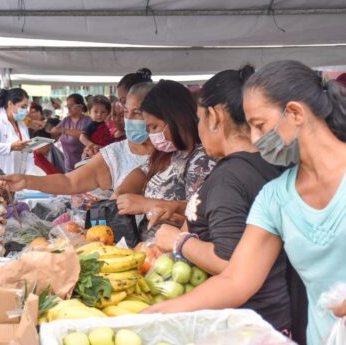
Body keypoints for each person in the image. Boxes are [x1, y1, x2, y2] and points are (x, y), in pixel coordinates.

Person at [142, 60, 346, 345]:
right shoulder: (276, 196)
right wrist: (153, 315)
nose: (254, 139)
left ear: (296, 113)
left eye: (260, 126)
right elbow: (236, 279)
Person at [151, 66, 292, 332]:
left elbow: (231, 264)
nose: (199, 129)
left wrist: (178, 241)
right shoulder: (271, 165)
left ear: (214, 116)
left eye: (199, 119)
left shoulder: (231, 178)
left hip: (246, 324)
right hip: (277, 317)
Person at [0, 82, 155, 194]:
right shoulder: (115, 154)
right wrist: (27, 181)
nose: (129, 119)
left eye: (137, 113)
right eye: (126, 112)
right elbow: (70, 182)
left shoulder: (174, 155)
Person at [114, 80, 216, 240]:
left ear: (175, 119)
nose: (152, 135)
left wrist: (146, 204)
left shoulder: (201, 160)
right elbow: (141, 172)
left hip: (175, 251)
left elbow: (199, 217)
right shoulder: (169, 153)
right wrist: (120, 194)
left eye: (154, 127)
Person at [0, 88, 32, 174]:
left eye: (27, 107)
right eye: (23, 107)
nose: (26, 111)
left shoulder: (22, 125)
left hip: (21, 175)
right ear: (10, 104)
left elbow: (29, 153)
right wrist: (10, 147)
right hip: (2, 173)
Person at [50, 94, 91, 171]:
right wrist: (52, 131)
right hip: (68, 165)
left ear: (80, 106)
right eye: (67, 106)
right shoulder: (66, 120)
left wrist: (63, 130)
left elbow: (82, 134)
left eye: (71, 105)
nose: (68, 108)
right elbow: (54, 134)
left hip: (84, 165)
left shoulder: (87, 121)